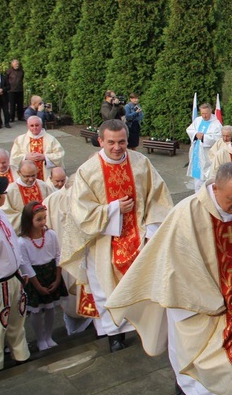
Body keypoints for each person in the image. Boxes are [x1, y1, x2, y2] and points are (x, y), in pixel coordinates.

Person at [106, 162, 232, 395]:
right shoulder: (188, 214)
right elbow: (177, 266)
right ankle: (184, 389)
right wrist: (216, 299)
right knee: (193, 358)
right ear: (215, 188)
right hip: (197, 304)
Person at [60, 119, 173, 352]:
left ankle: (145, 330)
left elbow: (158, 198)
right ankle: (114, 335)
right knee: (106, 289)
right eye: (110, 142)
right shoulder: (88, 171)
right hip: (104, 242)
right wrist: (112, 209)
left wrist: (152, 230)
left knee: (143, 286)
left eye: (122, 142)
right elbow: (80, 211)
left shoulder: (141, 163)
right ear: (100, 141)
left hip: (138, 237)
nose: (117, 147)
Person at [0, 176, 33, 374]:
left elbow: (13, 244)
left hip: (13, 279)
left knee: (17, 321)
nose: (5, 194)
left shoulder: (0, 215)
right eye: (2, 192)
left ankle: (21, 355)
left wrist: (21, 269)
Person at [43, 181, 93, 336]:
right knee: (71, 297)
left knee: (90, 291)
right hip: (65, 257)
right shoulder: (52, 200)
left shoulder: (86, 198)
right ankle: (73, 328)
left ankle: (94, 325)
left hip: (87, 255)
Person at [19, 201, 67, 351]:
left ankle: (48, 336)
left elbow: (58, 255)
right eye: (38, 219)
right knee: (37, 310)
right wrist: (38, 286)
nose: (43, 222)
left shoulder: (50, 235)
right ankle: (40, 338)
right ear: (29, 221)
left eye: (44, 218)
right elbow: (25, 264)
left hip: (51, 272)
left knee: (51, 307)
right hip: (35, 277)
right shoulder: (22, 242)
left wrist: (58, 278)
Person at [2, 160, 54, 233]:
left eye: (33, 175)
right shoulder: (11, 190)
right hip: (23, 232)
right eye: (26, 176)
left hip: (43, 230)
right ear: (19, 173)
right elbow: (7, 213)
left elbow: (52, 205)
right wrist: (29, 219)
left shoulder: (43, 186)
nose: (30, 179)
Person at [10, 115, 65, 181]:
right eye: (32, 125)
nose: (35, 128)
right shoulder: (20, 140)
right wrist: (26, 157)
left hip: (46, 175)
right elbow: (13, 157)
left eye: (37, 125)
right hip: (27, 176)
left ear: (41, 125)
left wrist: (45, 157)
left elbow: (59, 155)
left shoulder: (51, 139)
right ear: (28, 126)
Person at [187, 103, 223, 192]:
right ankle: (197, 196)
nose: (204, 115)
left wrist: (204, 137)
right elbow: (190, 129)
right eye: (202, 113)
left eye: (206, 113)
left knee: (206, 178)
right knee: (197, 179)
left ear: (210, 111)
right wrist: (196, 134)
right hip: (197, 153)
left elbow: (218, 138)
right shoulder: (198, 120)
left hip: (207, 155)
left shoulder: (216, 123)